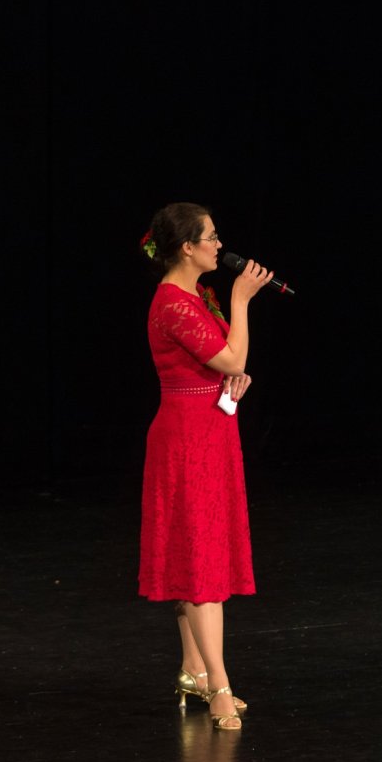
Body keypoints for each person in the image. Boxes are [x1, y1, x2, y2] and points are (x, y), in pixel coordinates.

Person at [138, 202, 273, 730]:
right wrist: (242, 299)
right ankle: (219, 687)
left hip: (212, 430)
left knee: (197, 555)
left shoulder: (195, 296)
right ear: (186, 247)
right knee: (198, 565)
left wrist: (230, 384)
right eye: (211, 238)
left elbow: (223, 364)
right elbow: (233, 355)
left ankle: (193, 669)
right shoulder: (173, 303)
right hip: (186, 441)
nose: (220, 246)